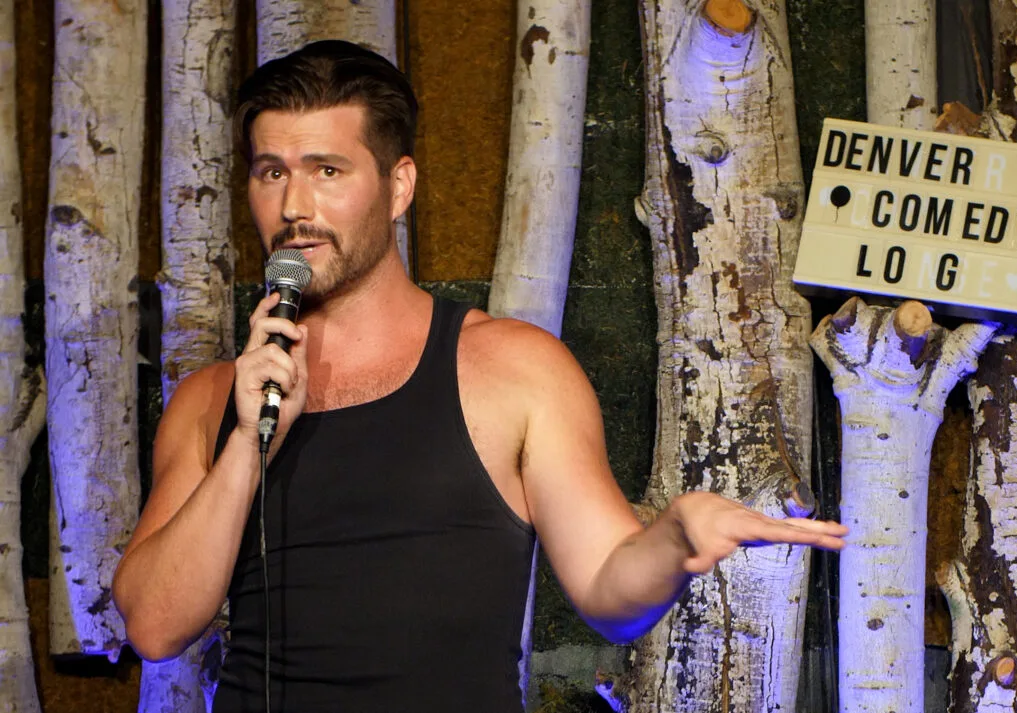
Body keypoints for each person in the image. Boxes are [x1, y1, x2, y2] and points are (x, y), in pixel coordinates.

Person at [112, 40, 846, 712]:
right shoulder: (215, 399)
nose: (294, 206)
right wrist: (247, 442)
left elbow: (607, 591)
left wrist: (673, 543)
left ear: (399, 187)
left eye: (327, 171)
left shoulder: (513, 368)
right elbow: (153, 625)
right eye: (272, 172)